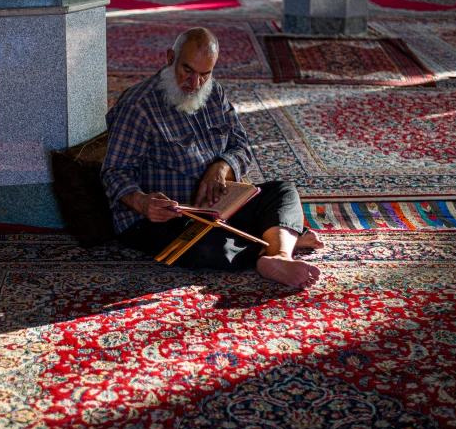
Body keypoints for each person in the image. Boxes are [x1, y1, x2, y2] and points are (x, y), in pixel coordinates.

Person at [101, 27, 324, 289]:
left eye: (204, 74)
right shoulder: (138, 105)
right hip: (163, 217)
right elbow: (114, 171)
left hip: (218, 205)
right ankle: (283, 236)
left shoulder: (214, 93)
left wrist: (222, 166)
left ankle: (280, 256)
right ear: (170, 58)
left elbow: (241, 146)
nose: (195, 83)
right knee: (208, 248)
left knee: (283, 192)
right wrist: (141, 202)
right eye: (188, 71)